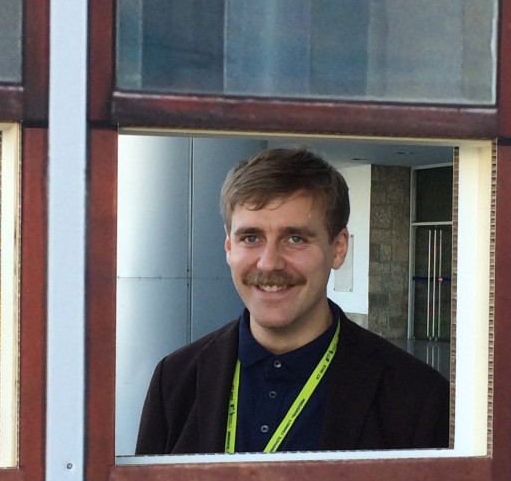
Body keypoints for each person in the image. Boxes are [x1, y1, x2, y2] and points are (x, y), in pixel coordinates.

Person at [135, 148, 450, 455]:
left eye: (295, 238)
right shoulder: (175, 380)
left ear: (338, 248)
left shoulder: (416, 396)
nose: (269, 263)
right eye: (251, 238)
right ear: (229, 248)